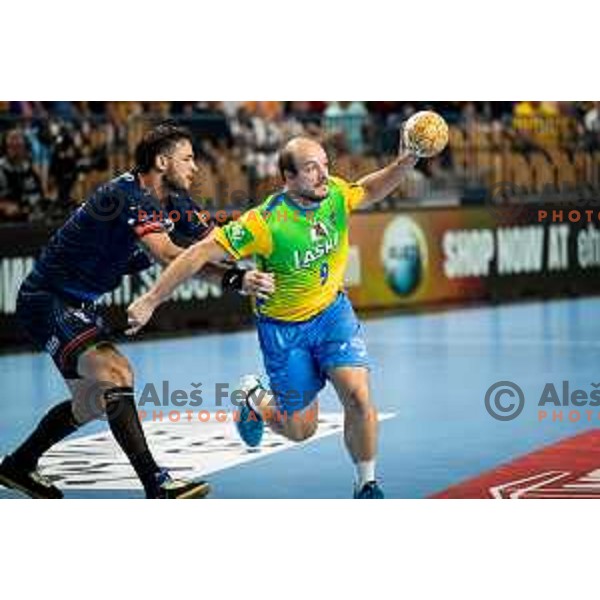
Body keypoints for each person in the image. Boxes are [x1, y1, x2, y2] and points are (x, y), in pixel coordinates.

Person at [126, 133, 420, 499]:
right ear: (288, 177)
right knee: (300, 429)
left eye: (325, 166)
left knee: (358, 397)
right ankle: (253, 399)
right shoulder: (265, 222)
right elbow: (197, 254)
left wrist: (404, 163)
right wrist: (152, 299)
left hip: (332, 315)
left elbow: (369, 188)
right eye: (311, 169)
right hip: (284, 331)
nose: (323, 176)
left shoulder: (335, 196)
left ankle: (367, 485)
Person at [0, 123, 274, 499]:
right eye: (188, 158)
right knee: (117, 373)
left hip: (80, 304)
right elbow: (169, 256)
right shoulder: (128, 195)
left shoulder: (175, 202)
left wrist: (270, 234)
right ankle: (156, 484)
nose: (196, 168)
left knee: (90, 403)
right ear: (162, 162)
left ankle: (18, 465)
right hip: (48, 300)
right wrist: (234, 279)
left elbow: (215, 245)